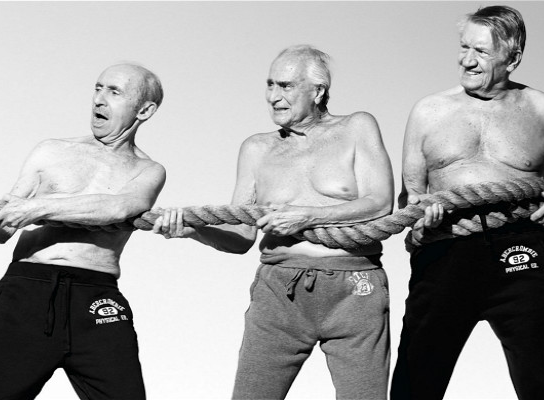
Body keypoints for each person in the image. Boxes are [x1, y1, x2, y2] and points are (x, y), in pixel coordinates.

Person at [0, 63, 166, 400]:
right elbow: (0, 228)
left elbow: (120, 208)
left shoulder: (148, 170)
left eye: (114, 92)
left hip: (96, 298)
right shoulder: (52, 151)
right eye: (98, 88)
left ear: (144, 110)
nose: (99, 99)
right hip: (28, 291)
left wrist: (38, 207)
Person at [153, 45, 394, 399]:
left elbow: (381, 203)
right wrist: (193, 230)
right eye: (270, 85)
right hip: (279, 292)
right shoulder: (256, 149)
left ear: (318, 91)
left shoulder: (357, 127)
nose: (273, 96)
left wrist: (309, 216)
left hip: (354, 289)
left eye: (285, 86)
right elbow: (240, 236)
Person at [391, 6, 544, 400]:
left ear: (513, 58)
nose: (467, 60)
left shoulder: (543, 109)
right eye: (464, 47)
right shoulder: (428, 111)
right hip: (445, 249)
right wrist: (420, 210)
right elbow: (408, 196)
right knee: (414, 385)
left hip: (519, 247)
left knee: (542, 382)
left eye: (481, 51)